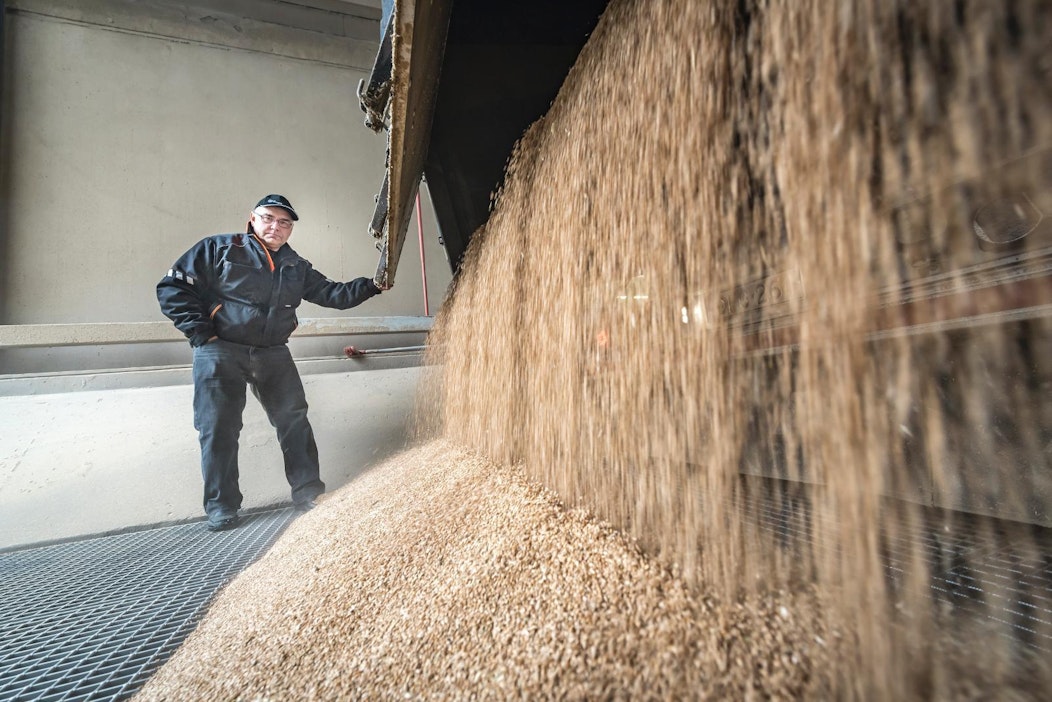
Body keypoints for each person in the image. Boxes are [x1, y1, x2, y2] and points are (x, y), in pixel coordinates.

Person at [157, 194, 384, 531]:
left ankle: (309, 493)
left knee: (294, 421)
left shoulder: (295, 266)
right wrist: (201, 333)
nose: (275, 226)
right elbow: (173, 287)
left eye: (284, 222)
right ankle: (222, 507)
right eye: (268, 218)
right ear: (253, 218)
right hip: (221, 350)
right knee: (218, 428)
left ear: (290, 229)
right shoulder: (219, 248)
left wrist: (374, 285)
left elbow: (333, 294)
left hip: (272, 351)